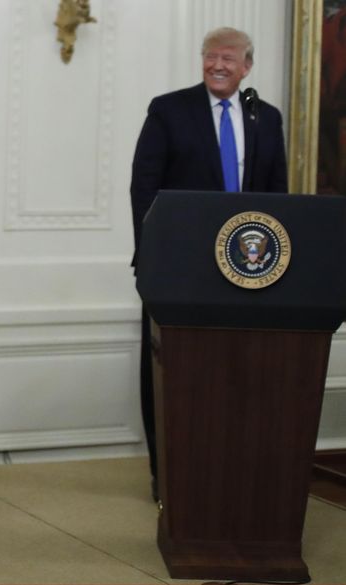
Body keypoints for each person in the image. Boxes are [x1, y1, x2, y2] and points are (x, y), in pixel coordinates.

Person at [130, 27, 288, 501]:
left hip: (247, 269)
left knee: (235, 373)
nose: (217, 65)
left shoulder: (265, 118)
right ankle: (167, 475)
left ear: (247, 67)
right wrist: (153, 255)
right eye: (210, 56)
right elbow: (143, 188)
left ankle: (227, 471)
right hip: (178, 268)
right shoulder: (168, 111)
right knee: (169, 372)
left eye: (228, 58)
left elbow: (277, 195)